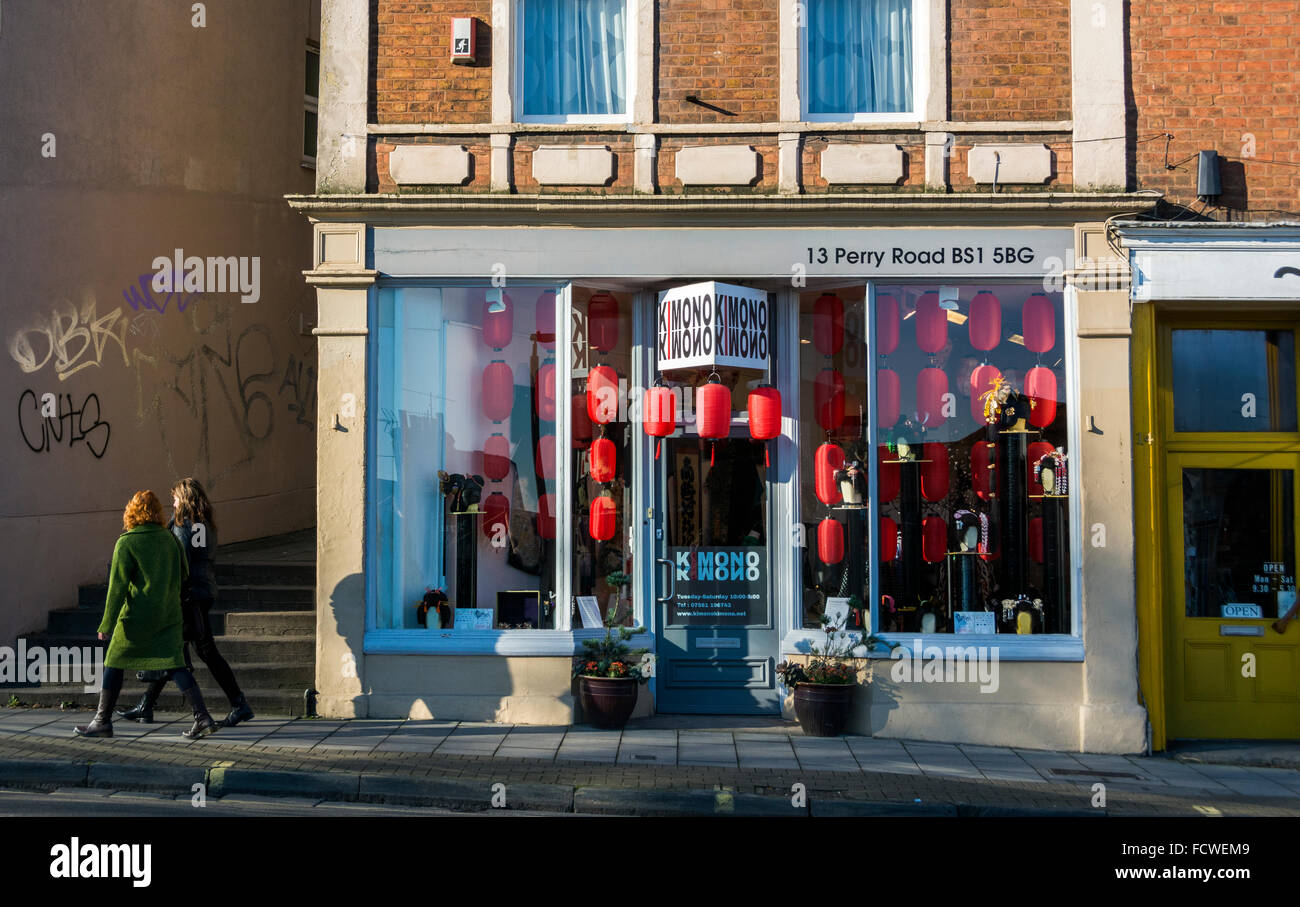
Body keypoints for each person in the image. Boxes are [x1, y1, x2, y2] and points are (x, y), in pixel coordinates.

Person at [75, 491, 218, 739]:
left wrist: (106, 623)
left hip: (136, 619)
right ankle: (202, 717)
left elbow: (117, 588)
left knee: (114, 662)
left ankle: (102, 720)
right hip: (169, 615)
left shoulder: (127, 542)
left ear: (131, 512)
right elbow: (184, 574)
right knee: (175, 664)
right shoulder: (170, 539)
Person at [118, 478, 254, 727]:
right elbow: (200, 556)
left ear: (184, 498)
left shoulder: (183, 523)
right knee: (179, 649)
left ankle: (237, 703)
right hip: (204, 590)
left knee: (198, 650)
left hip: (189, 595)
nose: (172, 503)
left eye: (175, 498)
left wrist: (171, 591)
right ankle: (146, 705)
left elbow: (180, 561)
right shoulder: (204, 523)